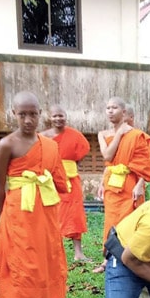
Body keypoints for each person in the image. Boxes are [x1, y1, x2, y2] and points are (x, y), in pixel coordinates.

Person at [0, 91, 70, 298]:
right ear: (13, 114)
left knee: (45, 261)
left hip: (45, 211)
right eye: (22, 114)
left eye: (33, 114)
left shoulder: (49, 144)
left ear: (41, 114)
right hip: (18, 213)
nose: (28, 119)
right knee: (26, 264)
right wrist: (2, 215)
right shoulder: (7, 144)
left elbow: (57, 177)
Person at [92, 97, 150, 274]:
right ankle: (107, 260)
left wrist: (140, 185)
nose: (110, 111)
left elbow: (146, 163)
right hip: (112, 183)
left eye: (114, 107)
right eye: (108, 108)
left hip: (131, 183)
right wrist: (102, 183)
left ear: (124, 112)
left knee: (130, 221)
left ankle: (130, 258)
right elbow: (108, 159)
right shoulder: (103, 134)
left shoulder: (137, 135)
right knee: (110, 222)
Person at [41, 105, 91, 261]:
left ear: (66, 117)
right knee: (51, 214)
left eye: (61, 116)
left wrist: (71, 164)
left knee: (74, 214)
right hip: (50, 180)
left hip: (71, 179)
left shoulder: (75, 135)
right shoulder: (43, 137)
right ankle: (52, 252)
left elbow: (83, 150)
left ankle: (78, 253)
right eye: (55, 116)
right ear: (50, 118)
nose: (58, 119)